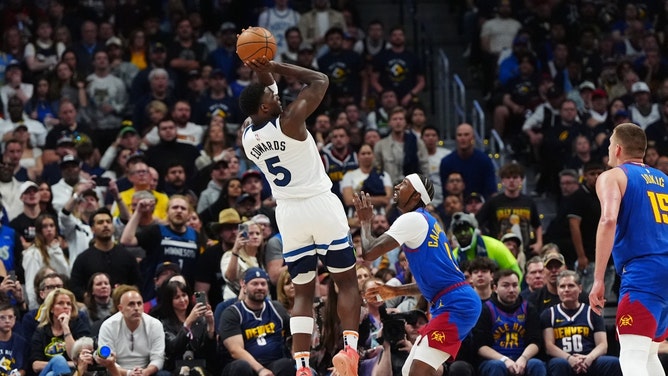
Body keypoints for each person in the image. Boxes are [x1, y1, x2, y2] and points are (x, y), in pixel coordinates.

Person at [238, 58, 361, 376]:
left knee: (303, 291)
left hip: (289, 214)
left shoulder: (248, 138)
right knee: (346, 281)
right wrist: (276, 64)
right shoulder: (291, 121)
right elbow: (320, 79)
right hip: (320, 204)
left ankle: (302, 366)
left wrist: (258, 65)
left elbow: (266, 90)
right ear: (266, 108)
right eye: (273, 99)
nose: (277, 98)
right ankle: (350, 351)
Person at [353, 173, 481, 376]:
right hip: (452, 300)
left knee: (417, 373)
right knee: (410, 371)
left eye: (404, 183)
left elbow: (368, 252)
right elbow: (432, 284)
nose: (396, 186)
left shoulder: (412, 219)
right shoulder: (426, 222)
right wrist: (394, 291)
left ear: (415, 196)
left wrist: (365, 221)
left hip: (455, 304)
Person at [590, 122, 668, 376]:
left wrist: (598, 278)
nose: (609, 149)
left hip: (644, 271)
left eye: (611, 144)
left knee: (631, 356)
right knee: (648, 354)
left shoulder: (613, 176)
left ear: (619, 149)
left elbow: (608, 220)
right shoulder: (665, 180)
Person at [218, 267, 294, 376]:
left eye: (263, 284)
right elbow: (235, 350)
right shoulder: (232, 313)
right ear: (244, 286)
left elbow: (294, 333)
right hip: (246, 367)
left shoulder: (276, 308)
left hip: (273, 364)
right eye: (255, 284)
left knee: (286, 364)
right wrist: (260, 370)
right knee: (241, 366)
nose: (260, 287)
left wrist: (296, 354)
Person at [543, 271, 621, 376]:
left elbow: (603, 345)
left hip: (589, 359)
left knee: (613, 363)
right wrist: (569, 358)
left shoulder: (592, 312)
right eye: (562, 286)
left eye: (571, 286)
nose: (566, 290)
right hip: (564, 360)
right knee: (558, 363)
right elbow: (549, 346)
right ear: (557, 290)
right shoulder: (549, 314)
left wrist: (589, 358)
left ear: (580, 288)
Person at [473, 269, 546, 376]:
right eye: (506, 285)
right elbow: (480, 346)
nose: (511, 290)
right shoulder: (485, 309)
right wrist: (504, 360)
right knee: (496, 366)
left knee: (536, 364)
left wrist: (523, 358)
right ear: (495, 288)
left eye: (515, 285)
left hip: (522, 357)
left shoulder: (529, 308)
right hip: (494, 360)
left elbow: (535, 342)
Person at [97, 285, 165, 376]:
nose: (136, 308)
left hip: (146, 371)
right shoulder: (108, 326)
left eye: (139, 304)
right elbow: (107, 361)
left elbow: (158, 358)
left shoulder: (155, 325)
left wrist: (145, 372)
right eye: (131, 304)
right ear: (121, 309)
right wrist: (128, 373)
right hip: (116, 372)